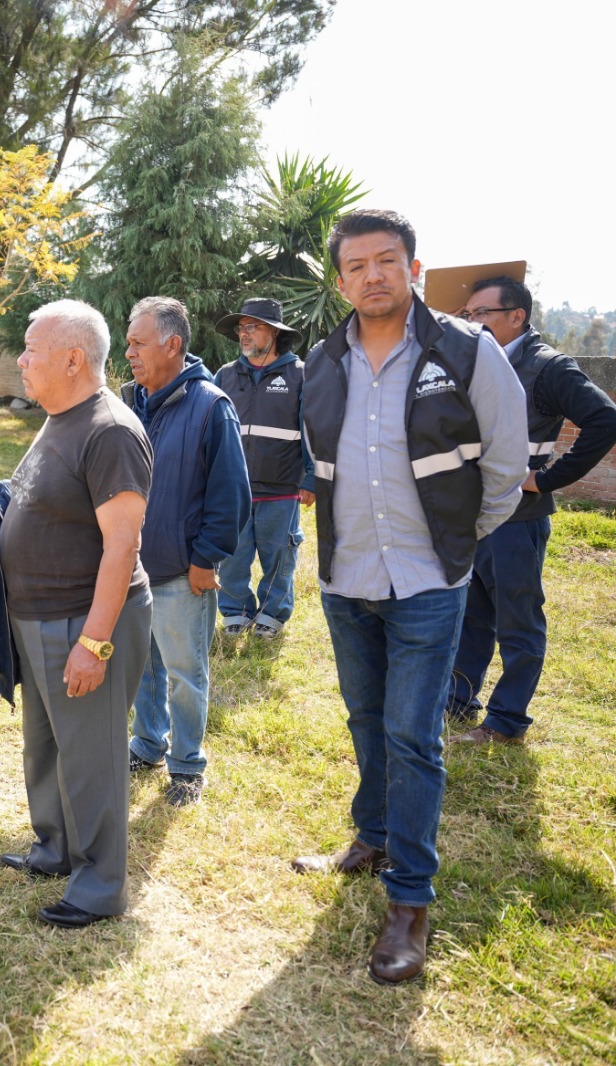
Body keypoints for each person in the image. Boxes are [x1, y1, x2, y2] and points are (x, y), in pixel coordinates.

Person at [292, 208, 527, 986]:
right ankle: (373, 833)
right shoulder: (323, 361)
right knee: (365, 720)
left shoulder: (465, 352)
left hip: (428, 582)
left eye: (386, 261)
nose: (372, 276)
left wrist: (456, 547)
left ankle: (410, 902)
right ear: (340, 281)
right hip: (347, 579)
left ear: (413, 268)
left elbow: (501, 465)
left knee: (413, 738)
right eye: (356, 266)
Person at [0, 299, 154, 929]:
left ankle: (99, 884)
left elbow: (124, 545)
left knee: (92, 758)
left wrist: (94, 641)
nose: (22, 361)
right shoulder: (60, 416)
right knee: (48, 746)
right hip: (37, 614)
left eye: (32, 350)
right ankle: (56, 848)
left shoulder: (109, 429)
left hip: (82, 620)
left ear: (73, 358)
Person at [444, 276, 616, 744]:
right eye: (469, 314)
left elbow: (605, 419)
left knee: (518, 620)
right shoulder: (477, 362)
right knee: (471, 614)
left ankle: (506, 722)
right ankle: (457, 704)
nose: (473, 322)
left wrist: (544, 479)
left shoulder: (547, 367)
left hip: (518, 519)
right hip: (473, 515)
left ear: (516, 316)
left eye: (483, 313)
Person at [121, 296, 249, 808]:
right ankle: (147, 744)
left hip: (181, 573)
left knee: (183, 673)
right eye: (127, 342)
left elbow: (230, 495)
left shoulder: (210, 406)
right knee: (143, 669)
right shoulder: (131, 401)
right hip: (131, 570)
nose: (128, 351)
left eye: (137, 342)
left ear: (172, 345)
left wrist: (205, 560)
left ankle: (188, 765)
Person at [212, 298, 316, 639]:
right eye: (241, 328)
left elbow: (312, 428)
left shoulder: (300, 375)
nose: (244, 334)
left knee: (279, 558)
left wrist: (313, 477)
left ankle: (272, 615)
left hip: (282, 489)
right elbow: (210, 430)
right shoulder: (225, 375)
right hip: (233, 490)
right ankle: (235, 611)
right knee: (232, 557)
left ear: (273, 332)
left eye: (252, 327)